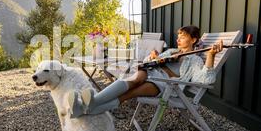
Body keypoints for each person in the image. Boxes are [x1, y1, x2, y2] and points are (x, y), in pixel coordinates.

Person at [68, 25, 223, 117]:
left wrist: (211, 56)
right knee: (136, 78)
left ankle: (86, 109)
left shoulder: (194, 60)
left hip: (165, 84)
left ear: (194, 40)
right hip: (150, 72)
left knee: (129, 94)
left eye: (182, 37)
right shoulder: (171, 52)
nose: (178, 39)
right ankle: (92, 103)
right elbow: (149, 62)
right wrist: (152, 56)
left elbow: (206, 79)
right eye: (178, 37)